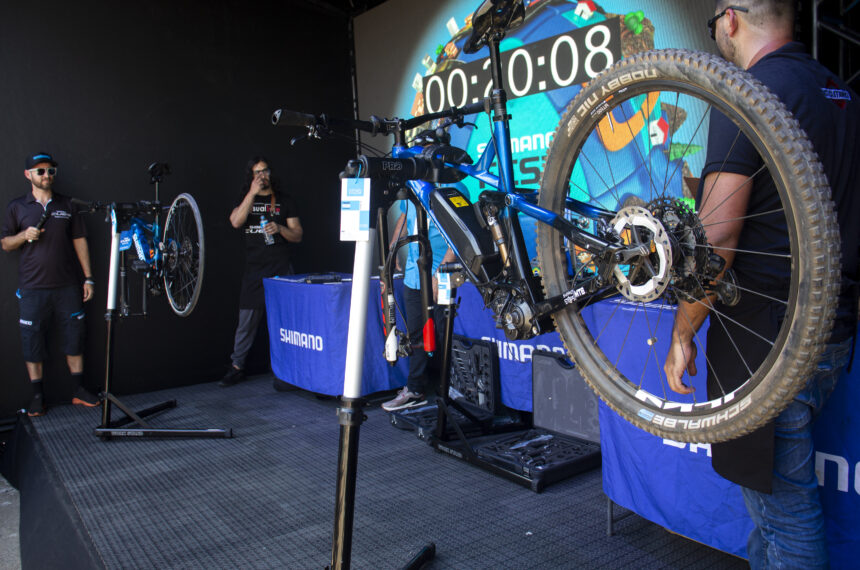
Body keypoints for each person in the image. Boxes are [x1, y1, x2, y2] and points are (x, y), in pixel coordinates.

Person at [664, 2, 860, 567]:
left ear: (730, 20)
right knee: (771, 512)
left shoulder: (746, 95)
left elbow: (716, 240)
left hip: (764, 347)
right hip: (832, 335)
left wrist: (683, 330)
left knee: (789, 523)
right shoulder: (841, 94)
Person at [1, 152, 100, 416]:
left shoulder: (67, 204)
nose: (46, 176)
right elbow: (5, 243)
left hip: (67, 285)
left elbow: (80, 240)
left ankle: (79, 391)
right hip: (32, 288)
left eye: (50, 170)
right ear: (28, 175)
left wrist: (88, 277)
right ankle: (37, 396)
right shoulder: (17, 207)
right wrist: (24, 235)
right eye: (40, 171)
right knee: (31, 340)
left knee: (74, 337)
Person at [220, 157, 303, 387]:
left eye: (264, 171)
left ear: (270, 173)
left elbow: (298, 235)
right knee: (246, 322)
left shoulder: (284, 200)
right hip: (254, 270)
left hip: (281, 269)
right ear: (251, 176)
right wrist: (251, 193)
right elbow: (236, 222)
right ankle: (237, 367)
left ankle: (284, 371)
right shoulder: (246, 198)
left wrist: (280, 228)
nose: (262, 176)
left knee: (284, 322)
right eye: (257, 173)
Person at [381, 199, 454, 412]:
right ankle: (415, 389)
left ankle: (449, 390)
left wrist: (439, 274)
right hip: (413, 275)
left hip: (439, 272)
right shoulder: (411, 191)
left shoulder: (454, 189)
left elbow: (458, 238)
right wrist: (393, 247)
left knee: (442, 334)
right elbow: (404, 218)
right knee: (416, 334)